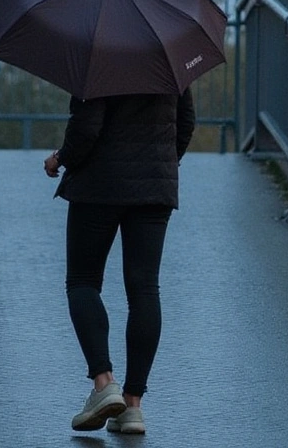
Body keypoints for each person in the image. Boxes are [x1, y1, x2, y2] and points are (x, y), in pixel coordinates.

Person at [43, 87, 196, 434]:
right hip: (155, 187)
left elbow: (87, 129)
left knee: (82, 281)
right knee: (144, 290)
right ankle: (132, 406)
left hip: (100, 185)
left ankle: (103, 383)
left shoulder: (98, 53)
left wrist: (59, 158)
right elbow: (186, 122)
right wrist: (159, 164)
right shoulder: (168, 52)